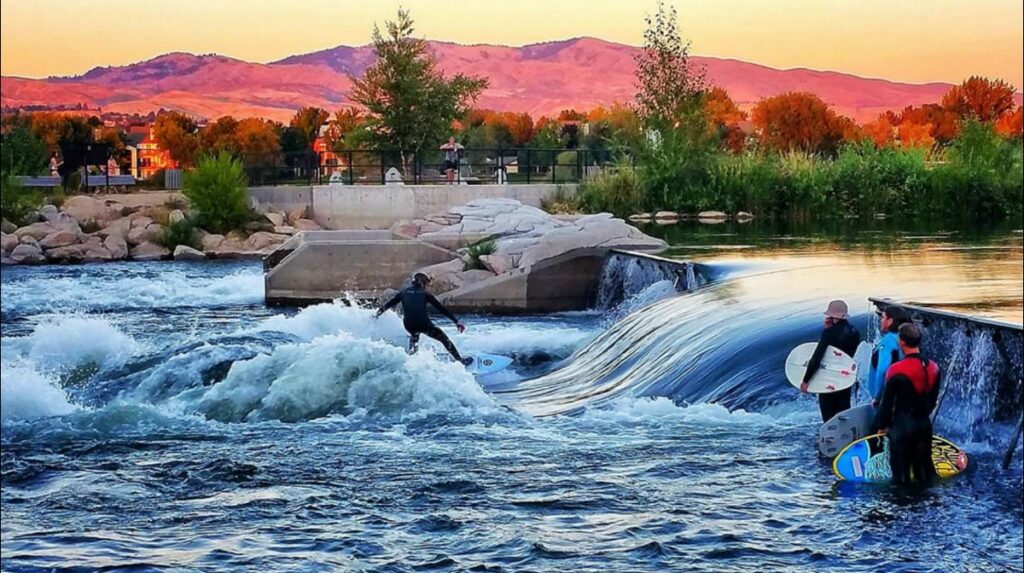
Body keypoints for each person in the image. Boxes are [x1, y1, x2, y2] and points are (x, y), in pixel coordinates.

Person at [873, 322, 940, 486]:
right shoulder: (933, 367)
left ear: (901, 342)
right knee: (924, 475)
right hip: (924, 426)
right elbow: (932, 400)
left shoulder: (896, 369)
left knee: (901, 480)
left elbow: (886, 404)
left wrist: (882, 426)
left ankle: (903, 508)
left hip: (902, 429)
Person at [375, 272, 471, 365]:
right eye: (426, 284)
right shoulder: (425, 294)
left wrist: (376, 315)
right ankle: (460, 360)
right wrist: (456, 321)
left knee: (414, 335)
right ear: (422, 283)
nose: (426, 287)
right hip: (424, 324)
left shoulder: (403, 292)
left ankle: (411, 360)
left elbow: (387, 306)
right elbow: (441, 309)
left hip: (408, 325)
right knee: (444, 339)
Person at [801, 300, 861, 422]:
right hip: (845, 377)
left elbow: (817, 357)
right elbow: (842, 354)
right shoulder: (855, 331)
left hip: (829, 378)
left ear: (833, 316)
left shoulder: (829, 333)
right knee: (843, 411)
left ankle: (830, 438)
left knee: (829, 415)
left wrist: (806, 380)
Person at [867, 305, 911, 408]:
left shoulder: (889, 341)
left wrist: (877, 398)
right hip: (900, 395)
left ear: (890, 321)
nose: (880, 321)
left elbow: (883, 370)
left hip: (885, 400)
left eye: (883, 317)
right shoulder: (904, 338)